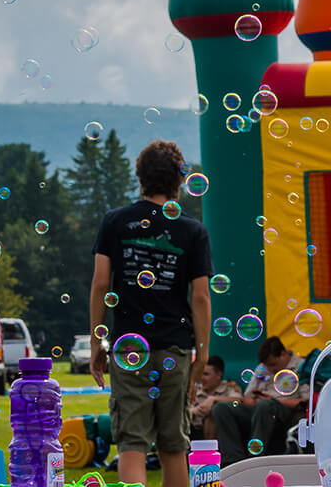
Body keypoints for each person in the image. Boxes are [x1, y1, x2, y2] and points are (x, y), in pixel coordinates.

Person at [89, 140, 213, 487]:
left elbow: (100, 284)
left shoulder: (115, 222)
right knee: (174, 446)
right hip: (175, 347)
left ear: (140, 176)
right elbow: (201, 297)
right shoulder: (192, 230)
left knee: (132, 443)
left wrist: (97, 341)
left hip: (130, 348)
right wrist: (201, 354)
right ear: (179, 180)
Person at [211, 337, 307, 466]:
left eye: (273, 365)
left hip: (284, 411)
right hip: (260, 409)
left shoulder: (301, 366)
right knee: (221, 408)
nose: (270, 369)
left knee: (265, 405)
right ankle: (232, 461)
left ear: (283, 354)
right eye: (267, 365)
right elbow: (247, 398)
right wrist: (255, 399)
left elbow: (305, 401)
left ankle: (254, 459)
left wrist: (271, 400)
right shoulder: (263, 368)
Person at [190, 355, 242, 439]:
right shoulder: (195, 390)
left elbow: (239, 400)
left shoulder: (229, 387)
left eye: (206, 374)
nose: (201, 378)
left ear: (218, 375)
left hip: (221, 435)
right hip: (193, 432)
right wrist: (194, 411)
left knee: (213, 413)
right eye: (201, 374)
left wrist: (213, 399)